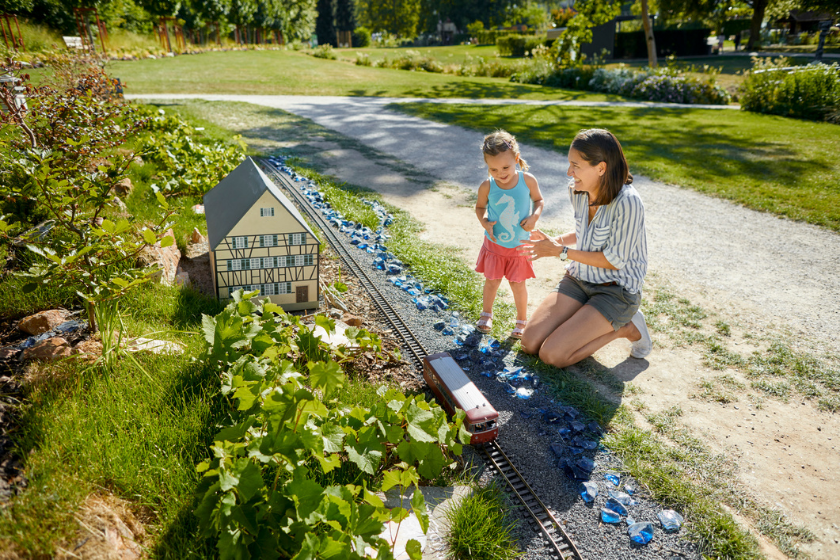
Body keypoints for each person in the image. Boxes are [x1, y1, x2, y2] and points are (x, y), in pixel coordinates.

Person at [517, 129, 652, 368]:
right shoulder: (577, 190)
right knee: (529, 343)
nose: (569, 172)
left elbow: (614, 260)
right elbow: (585, 232)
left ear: (601, 168)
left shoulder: (628, 202)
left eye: (576, 166)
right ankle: (583, 316)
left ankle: (625, 328)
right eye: (570, 164)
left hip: (616, 290)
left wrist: (560, 251)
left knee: (552, 355)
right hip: (580, 278)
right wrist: (556, 241)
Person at [474, 130, 545, 339]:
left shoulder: (527, 180)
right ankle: (486, 314)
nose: (500, 173)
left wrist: (534, 217)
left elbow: (539, 200)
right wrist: (484, 221)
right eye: (493, 169)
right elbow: (479, 207)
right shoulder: (487, 185)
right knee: (492, 281)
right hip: (495, 244)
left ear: (516, 159)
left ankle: (521, 321)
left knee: (518, 284)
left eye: (505, 167)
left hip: (519, 245)